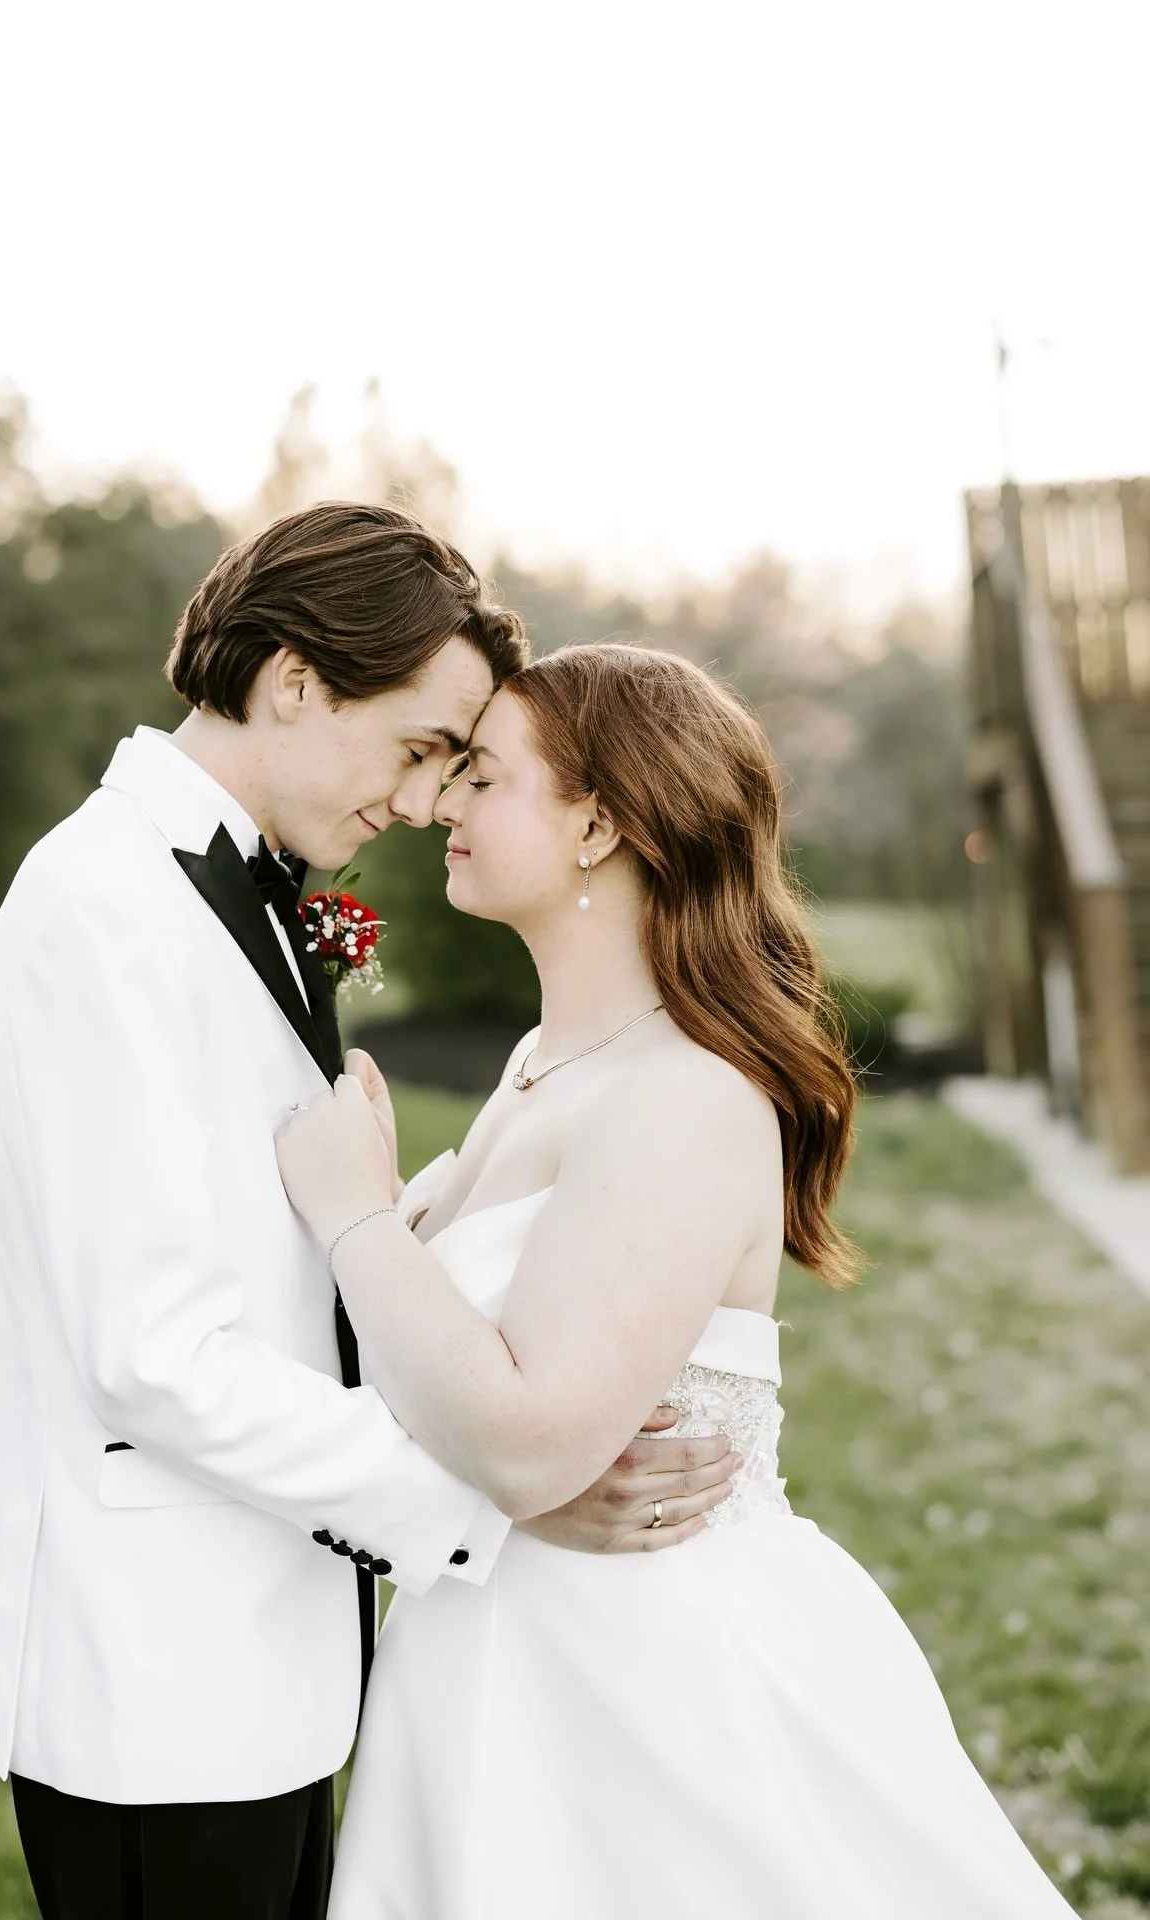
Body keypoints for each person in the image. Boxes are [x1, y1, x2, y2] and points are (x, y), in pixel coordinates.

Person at [0, 508, 739, 1920]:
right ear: (297, 682)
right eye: (424, 746)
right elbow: (156, 1352)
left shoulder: (227, 894)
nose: (431, 798)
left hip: (266, 1653)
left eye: (457, 765)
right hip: (160, 1679)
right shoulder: (102, 914)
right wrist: (500, 1502)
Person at [276, 641, 1078, 1919]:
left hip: (640, 1698)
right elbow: (452, 1395)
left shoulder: (688, 1099)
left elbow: (532, 1448)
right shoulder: (546, 1061)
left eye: (484, 777)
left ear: (597, 821)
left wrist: (361, 1218)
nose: (440, 805)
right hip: (490, 1660)